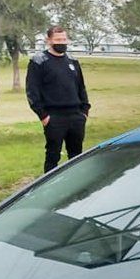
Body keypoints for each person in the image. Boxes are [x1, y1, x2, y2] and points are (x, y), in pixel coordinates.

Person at [26, 26, 91, 172]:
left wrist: (85, 111)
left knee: (76, 156)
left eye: (64, 39)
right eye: (57, 39)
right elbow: (32, 91)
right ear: (49, 40)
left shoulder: (73, 61)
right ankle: (49, 183)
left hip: (76, 115)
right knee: (53, 155)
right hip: (54, 117)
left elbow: (81, 87)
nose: (61, 42)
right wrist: (43, 116)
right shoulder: (39, 62)